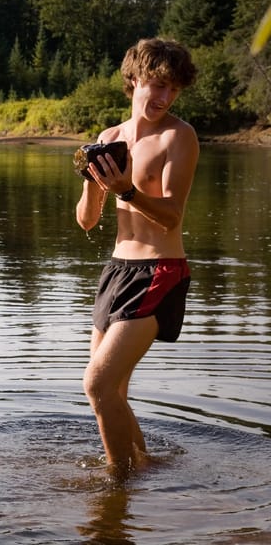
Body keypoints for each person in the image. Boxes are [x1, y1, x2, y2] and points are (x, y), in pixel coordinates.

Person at [75, 38, 198, 479]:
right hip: (117, 271)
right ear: (134, 81)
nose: (164, 98)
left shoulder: (178, 137)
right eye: (157, 85)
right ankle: (144, 469)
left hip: (160, 270)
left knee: (98, 384)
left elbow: (171, 216)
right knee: (110, 393)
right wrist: (93, 182)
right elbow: (87, 222)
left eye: (173, 90)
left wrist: (127, 189)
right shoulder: (109, 139)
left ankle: (118, 487)